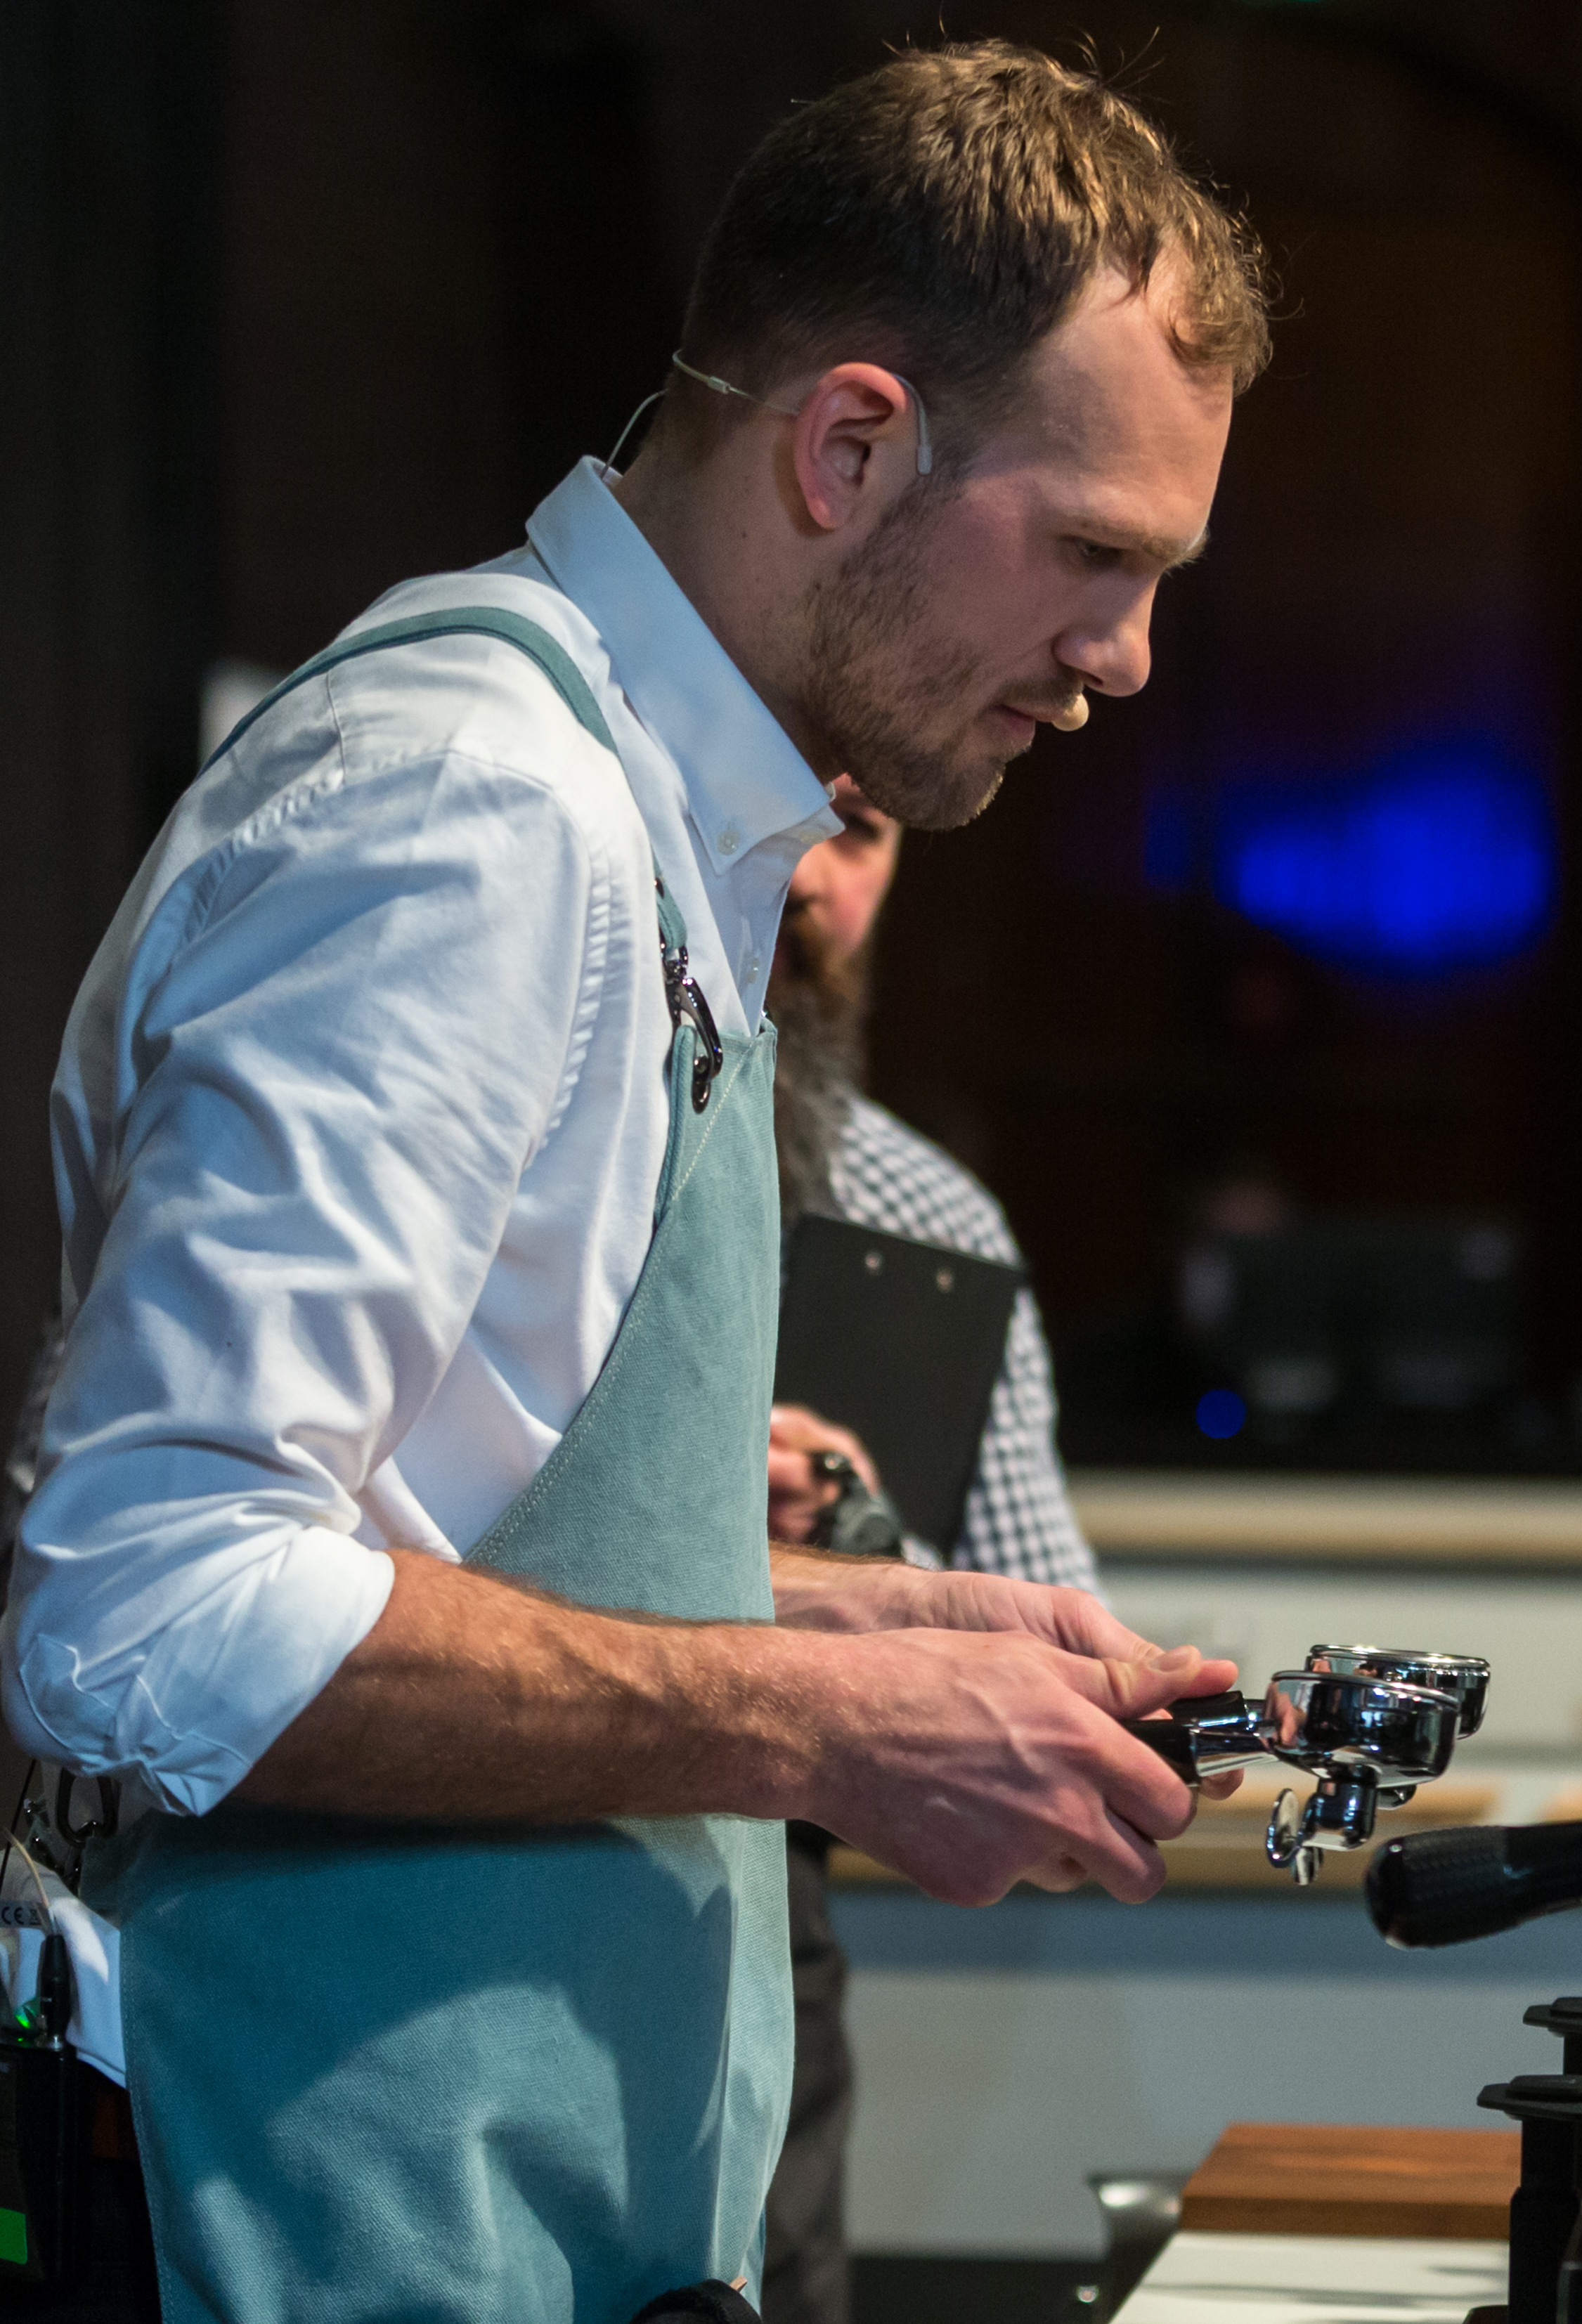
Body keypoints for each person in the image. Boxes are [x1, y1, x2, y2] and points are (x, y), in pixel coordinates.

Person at [5, 41, 1269, 2323]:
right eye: (1095, 552)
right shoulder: (476, 809)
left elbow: (440, 1533)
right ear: (848, 446)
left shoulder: (662, 821)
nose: (1125, 659)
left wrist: (850, 1634)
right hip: (303, 2221)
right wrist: (814, 1721)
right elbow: (144, 1602)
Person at [750, 788, 1103, 2324]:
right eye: (800, 815)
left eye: (865, 836)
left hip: (758, 1908)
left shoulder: (926, 1224)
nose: (815, 879)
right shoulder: (527, 1146)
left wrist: (855, 1540)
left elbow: (1045, 1642)